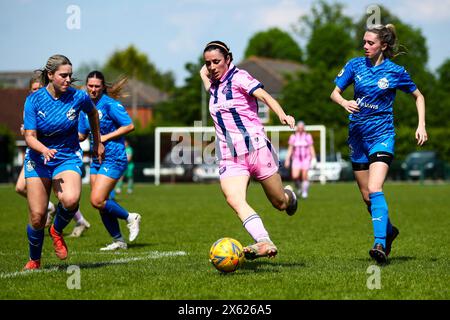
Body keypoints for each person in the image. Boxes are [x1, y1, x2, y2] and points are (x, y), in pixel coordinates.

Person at [330, 24, 427, 263]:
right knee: (366, 197)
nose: (365, 46)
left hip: (382, 136)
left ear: (383, 45)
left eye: (370, 43)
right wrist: (344, 103)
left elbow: (419, 96)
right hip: (357, 138)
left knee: (375, 189)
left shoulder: (395, 71)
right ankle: (390, 231)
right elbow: (334, 93)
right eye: (364, 42)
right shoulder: (355, 65)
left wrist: (421, 125)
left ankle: (380, 244)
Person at [200, 41, 298, 260]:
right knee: (234, 199)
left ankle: (290, 197)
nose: (212, 67)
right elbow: (203, 72)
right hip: (230, 155)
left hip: (257, 150)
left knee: (279, 203)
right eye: (208, 63)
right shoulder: (212, 85)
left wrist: (282, 114)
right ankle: (264, 240)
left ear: (228, 59)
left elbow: (264, 96)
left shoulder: (239, 77)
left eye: (217, 61)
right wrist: (208, 64)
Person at [22, 54, 104, 270]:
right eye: (63, 75)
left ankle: (56, 231)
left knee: (70, 200)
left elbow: (93, 114)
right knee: (38, 217)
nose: (69, 80)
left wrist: (98, 142)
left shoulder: (79, 97)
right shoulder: (34, 100)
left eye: (70, 75)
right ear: (50, 75)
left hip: (66, 158)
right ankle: (34, 260)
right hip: (38, 160)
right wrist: (44, 149)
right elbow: (29, 136)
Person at [78, 71, 141, 251]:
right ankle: (119, 240)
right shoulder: (85, 107)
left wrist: (105, 137)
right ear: (86, 86)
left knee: (97, 200)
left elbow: (129, 125)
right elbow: (82, 135)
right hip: (97, 160)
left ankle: (131, 217)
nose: (93, 89)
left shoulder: (110, 105)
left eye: (97, 86)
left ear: (103, 87)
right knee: (101, 203)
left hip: (114, 157)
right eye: (90, 86)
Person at [15, 72, 56, 219]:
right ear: (30, 91)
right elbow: (30, 131)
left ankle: (78, 219)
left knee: (62, 193)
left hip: (50, 151)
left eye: (40, 88)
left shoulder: (51, 104)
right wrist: (26, 132)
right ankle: (50, 207)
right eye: (34, 89)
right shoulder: (29, 104)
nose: (37, 91)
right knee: (20, 188)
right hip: (33, 151)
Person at [284, 121, 317, 199]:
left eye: (302, 128)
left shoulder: (307, 136)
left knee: (304, 175)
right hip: (296, 159)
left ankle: (304, 192)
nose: (300, 129)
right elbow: (290, 149)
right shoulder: (293, 137)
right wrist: (287, 159)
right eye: (299, 128)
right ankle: (299, 188)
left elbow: (311, 147)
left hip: (306, 159)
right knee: (295, 176)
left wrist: (314, 158)